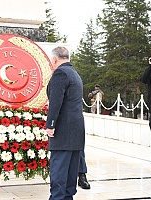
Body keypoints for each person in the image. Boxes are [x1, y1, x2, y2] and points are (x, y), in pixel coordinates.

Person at [46, 46, 85, 199]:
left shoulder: (60, 73)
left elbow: (56, 102)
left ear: (55, 59)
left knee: (59, 176)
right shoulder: (75, 74)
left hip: (62, 133)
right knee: (70, 179)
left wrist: (50, 125)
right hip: (76, 132)